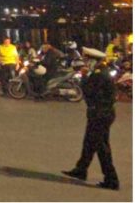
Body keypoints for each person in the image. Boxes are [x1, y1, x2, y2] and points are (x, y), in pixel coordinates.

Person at [62, 48, 119, 190]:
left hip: (101, 114)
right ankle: (81, 169)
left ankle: (111, 179)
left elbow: (88, 90)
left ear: (94, 61)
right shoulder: (100, 72)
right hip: (100, 112)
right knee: (89, 142)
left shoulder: (99, 75)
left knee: (101, 147)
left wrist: (84, 77)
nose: (86, 63)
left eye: (88, 60)